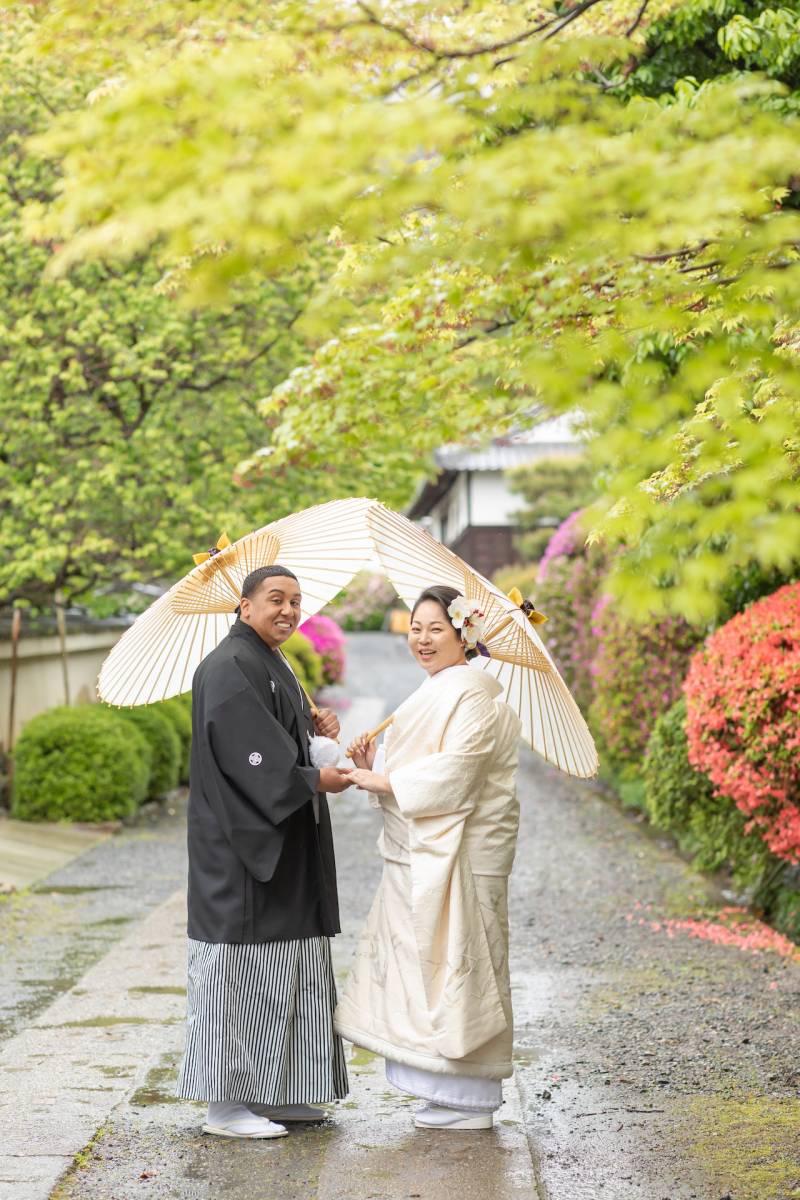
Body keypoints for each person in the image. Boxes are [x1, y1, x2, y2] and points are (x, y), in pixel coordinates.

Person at [175, 565, 354, 1139]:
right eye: (276, 598)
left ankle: (277, 1091)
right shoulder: (229, 665)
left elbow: (283, 740)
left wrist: (316, 729)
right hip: (241, 846)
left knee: (288, 966)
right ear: (244, 605)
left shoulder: (270, 661)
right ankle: (226, 1105)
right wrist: (313, 778)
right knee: (239, 974)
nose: (288, 610)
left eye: (296, 601)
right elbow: (250, 756)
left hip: (280, 843)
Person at [337, 584, 522, 1131]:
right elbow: (419, 764)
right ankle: (444, 1091)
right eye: (416, 628)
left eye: (436, 628)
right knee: (423, 969)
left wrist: (385, 780)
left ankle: (469, 1099)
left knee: (464, 964)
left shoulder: (474, 694)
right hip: (428, 846)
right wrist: (376, 765)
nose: (422, 638)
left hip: (461, 850)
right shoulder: (437, 689)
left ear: (464, 635)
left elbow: (458, 770)